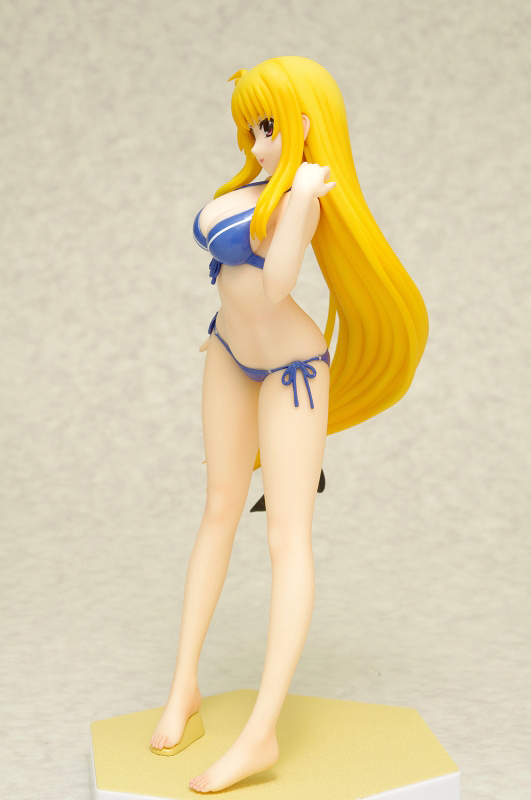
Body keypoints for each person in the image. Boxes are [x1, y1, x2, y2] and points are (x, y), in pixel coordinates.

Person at [150, 56, 429, 793]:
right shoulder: (250, 186)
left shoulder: (303, 192)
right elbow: (231, 277)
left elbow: (277, 287)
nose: (257, 142)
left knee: (285, 536)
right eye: (249, 128)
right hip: (226, 352)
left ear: (305, 122)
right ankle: (184, 686)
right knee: (217, 509)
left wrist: (302, 197)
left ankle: (261, 733)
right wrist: (225, 329)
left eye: (268, 125)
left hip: (291, 372)